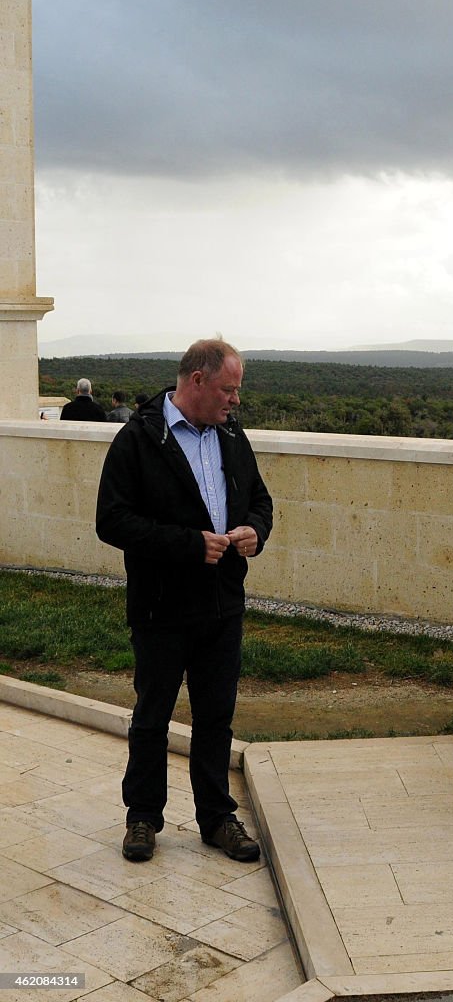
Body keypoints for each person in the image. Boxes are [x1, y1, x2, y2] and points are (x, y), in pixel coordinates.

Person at [96, 339, 272, 863]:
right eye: (228, 389)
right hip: (162, 607)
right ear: (196, 381)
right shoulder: (138, 439)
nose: (234, 400)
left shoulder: (233, 437)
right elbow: (112, 521)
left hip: (223, 606)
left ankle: (216, 818)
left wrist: (254, 532)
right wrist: (190, 544)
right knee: (153, 716)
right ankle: (143, 817)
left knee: (216, 718)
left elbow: (261, 500)